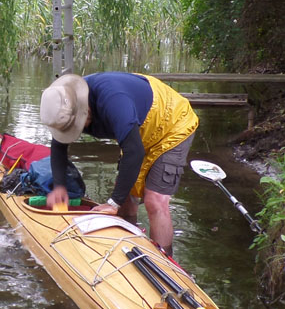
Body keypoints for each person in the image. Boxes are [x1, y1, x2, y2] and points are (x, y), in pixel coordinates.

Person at [40, 72, 198, 257]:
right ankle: (126, 247)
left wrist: (112, 202)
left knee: (155, 200)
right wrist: (60, 186)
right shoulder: (63, 105)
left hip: (172, 123)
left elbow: (134, 152)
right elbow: (58, 147)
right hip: (138, 130)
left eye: (78, 125)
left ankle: (164, 261)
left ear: (85, 109)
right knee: (127, 196)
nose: (79, 130)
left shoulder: (113, 101)